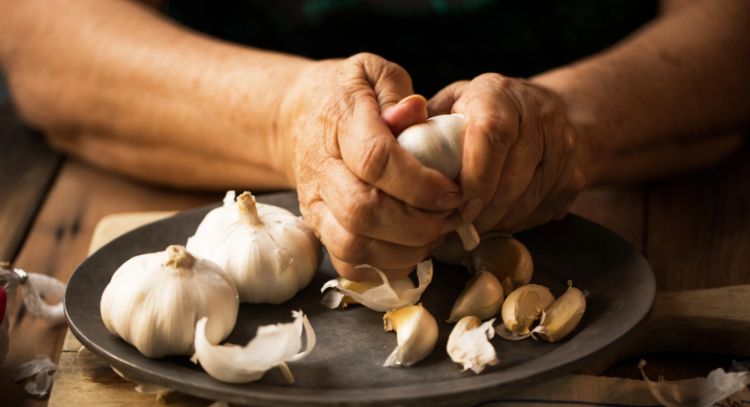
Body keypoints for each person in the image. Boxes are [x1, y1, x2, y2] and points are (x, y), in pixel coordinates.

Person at [0, 0, 747, 281]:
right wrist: (290, 115)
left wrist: (570, 120)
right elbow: (40, 33)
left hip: (640, 184)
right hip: (193, 152)